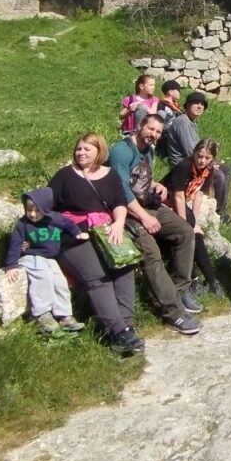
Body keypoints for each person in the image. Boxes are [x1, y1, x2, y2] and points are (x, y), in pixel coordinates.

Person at [47, 133, 144, 355]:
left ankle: (127, 326)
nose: (81, 153)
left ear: (99, 151)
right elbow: (45, 206)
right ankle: (117, 331)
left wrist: (118, 223)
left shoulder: (110, 175)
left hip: (104, 229)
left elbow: (119, 202)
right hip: (73, 235)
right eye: (79, 149)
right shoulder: (65, 176)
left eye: (87, 149)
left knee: (125, 266)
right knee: (98, 277)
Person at [108, 115, 202, 334]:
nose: (154, 135)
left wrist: (156, 185)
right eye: (151, 129)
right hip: (124, 212)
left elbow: (140, 180)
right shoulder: (121, 151)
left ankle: (179, 290)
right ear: (140, 126)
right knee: (151, 252)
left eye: (158, 132)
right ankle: (174, 313)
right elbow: (121, 190)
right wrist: (144, 217)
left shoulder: (148, 150)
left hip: (145, 205)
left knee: (185, 231)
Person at [4, 186, 87, 335]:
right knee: (43, 276)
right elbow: (15, 244)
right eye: (29, 210)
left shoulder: (55, 219)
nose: (32, 214)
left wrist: (77, 233)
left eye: (37, 210)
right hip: (31, 256)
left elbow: (68, 224)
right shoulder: (23, 224)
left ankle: (64, 316)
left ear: (46, 209)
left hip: (50, 258)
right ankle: (42, 315)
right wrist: (11, 264)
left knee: (60, 281)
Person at [162, 139, 227, 300]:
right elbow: (177, 196)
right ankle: (193, 280)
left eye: (207, 158)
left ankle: (211, 280)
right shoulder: (184, 166)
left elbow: (198, 194)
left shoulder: (208, 170)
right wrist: (185, 224)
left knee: (196, 234)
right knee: (187, 234)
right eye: (200, 156)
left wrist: (194, 222)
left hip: (182, 202)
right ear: (194, 153)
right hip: (165, 202)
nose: (202, 161)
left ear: (212, 159)